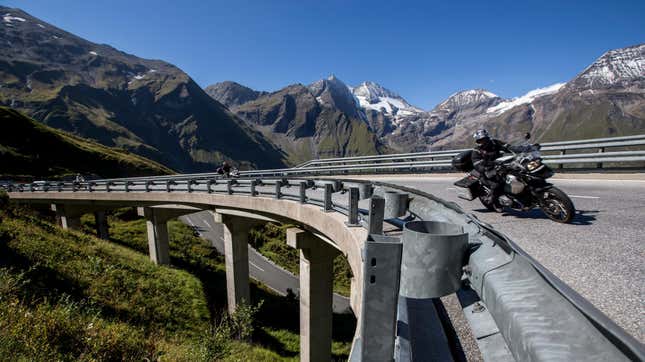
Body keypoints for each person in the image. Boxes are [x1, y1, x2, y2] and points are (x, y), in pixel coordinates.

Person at [471, 129, 511, 212]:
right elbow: (477, 165)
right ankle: (494, 201)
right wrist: (486, 168)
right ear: (477, 141)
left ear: (487, 138)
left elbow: (508, 147)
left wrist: (525, 148)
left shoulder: (495, 143)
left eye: (484, 139)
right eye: (480, 140)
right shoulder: (476, 151)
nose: (483, 141)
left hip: (500, 167)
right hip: (486, 172)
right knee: (497, 184)